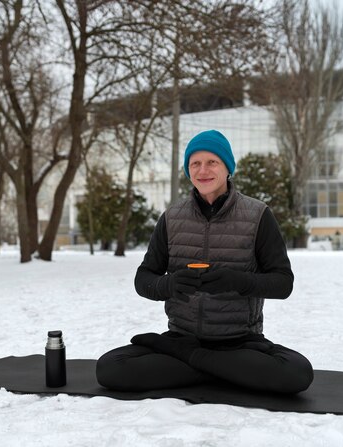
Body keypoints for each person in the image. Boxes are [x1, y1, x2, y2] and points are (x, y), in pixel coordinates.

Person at [96, 129, 313, 394]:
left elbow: (283, 283)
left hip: (240, 342)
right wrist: (169, 284)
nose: (203, 170)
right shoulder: (171, 217)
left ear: (227, 168)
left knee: (296, 372)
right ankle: (227, 373)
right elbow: (144, 279)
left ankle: (198, 365)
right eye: (195, 164)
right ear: (188, 170)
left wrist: (236, 281)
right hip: (182, 337)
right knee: (110, 367)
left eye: (212, 162)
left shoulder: (258, 215)